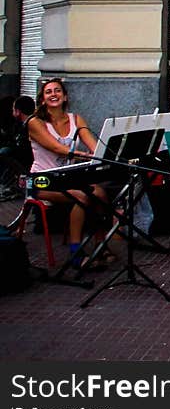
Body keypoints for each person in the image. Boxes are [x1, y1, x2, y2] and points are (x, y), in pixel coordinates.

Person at [27, 78, 112, 268]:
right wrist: (83, 155)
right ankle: (76, 252)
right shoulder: (35, 122)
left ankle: (101, 245)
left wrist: (105, 155)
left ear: (65, 97)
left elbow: (94, 146)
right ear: (42, 99)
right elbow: (57, 148)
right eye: (48, 92)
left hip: (68, 177)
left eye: (58, 91)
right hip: (42, 180)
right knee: (81, 197)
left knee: (99, 193)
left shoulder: (76, 119)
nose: (54, 94)